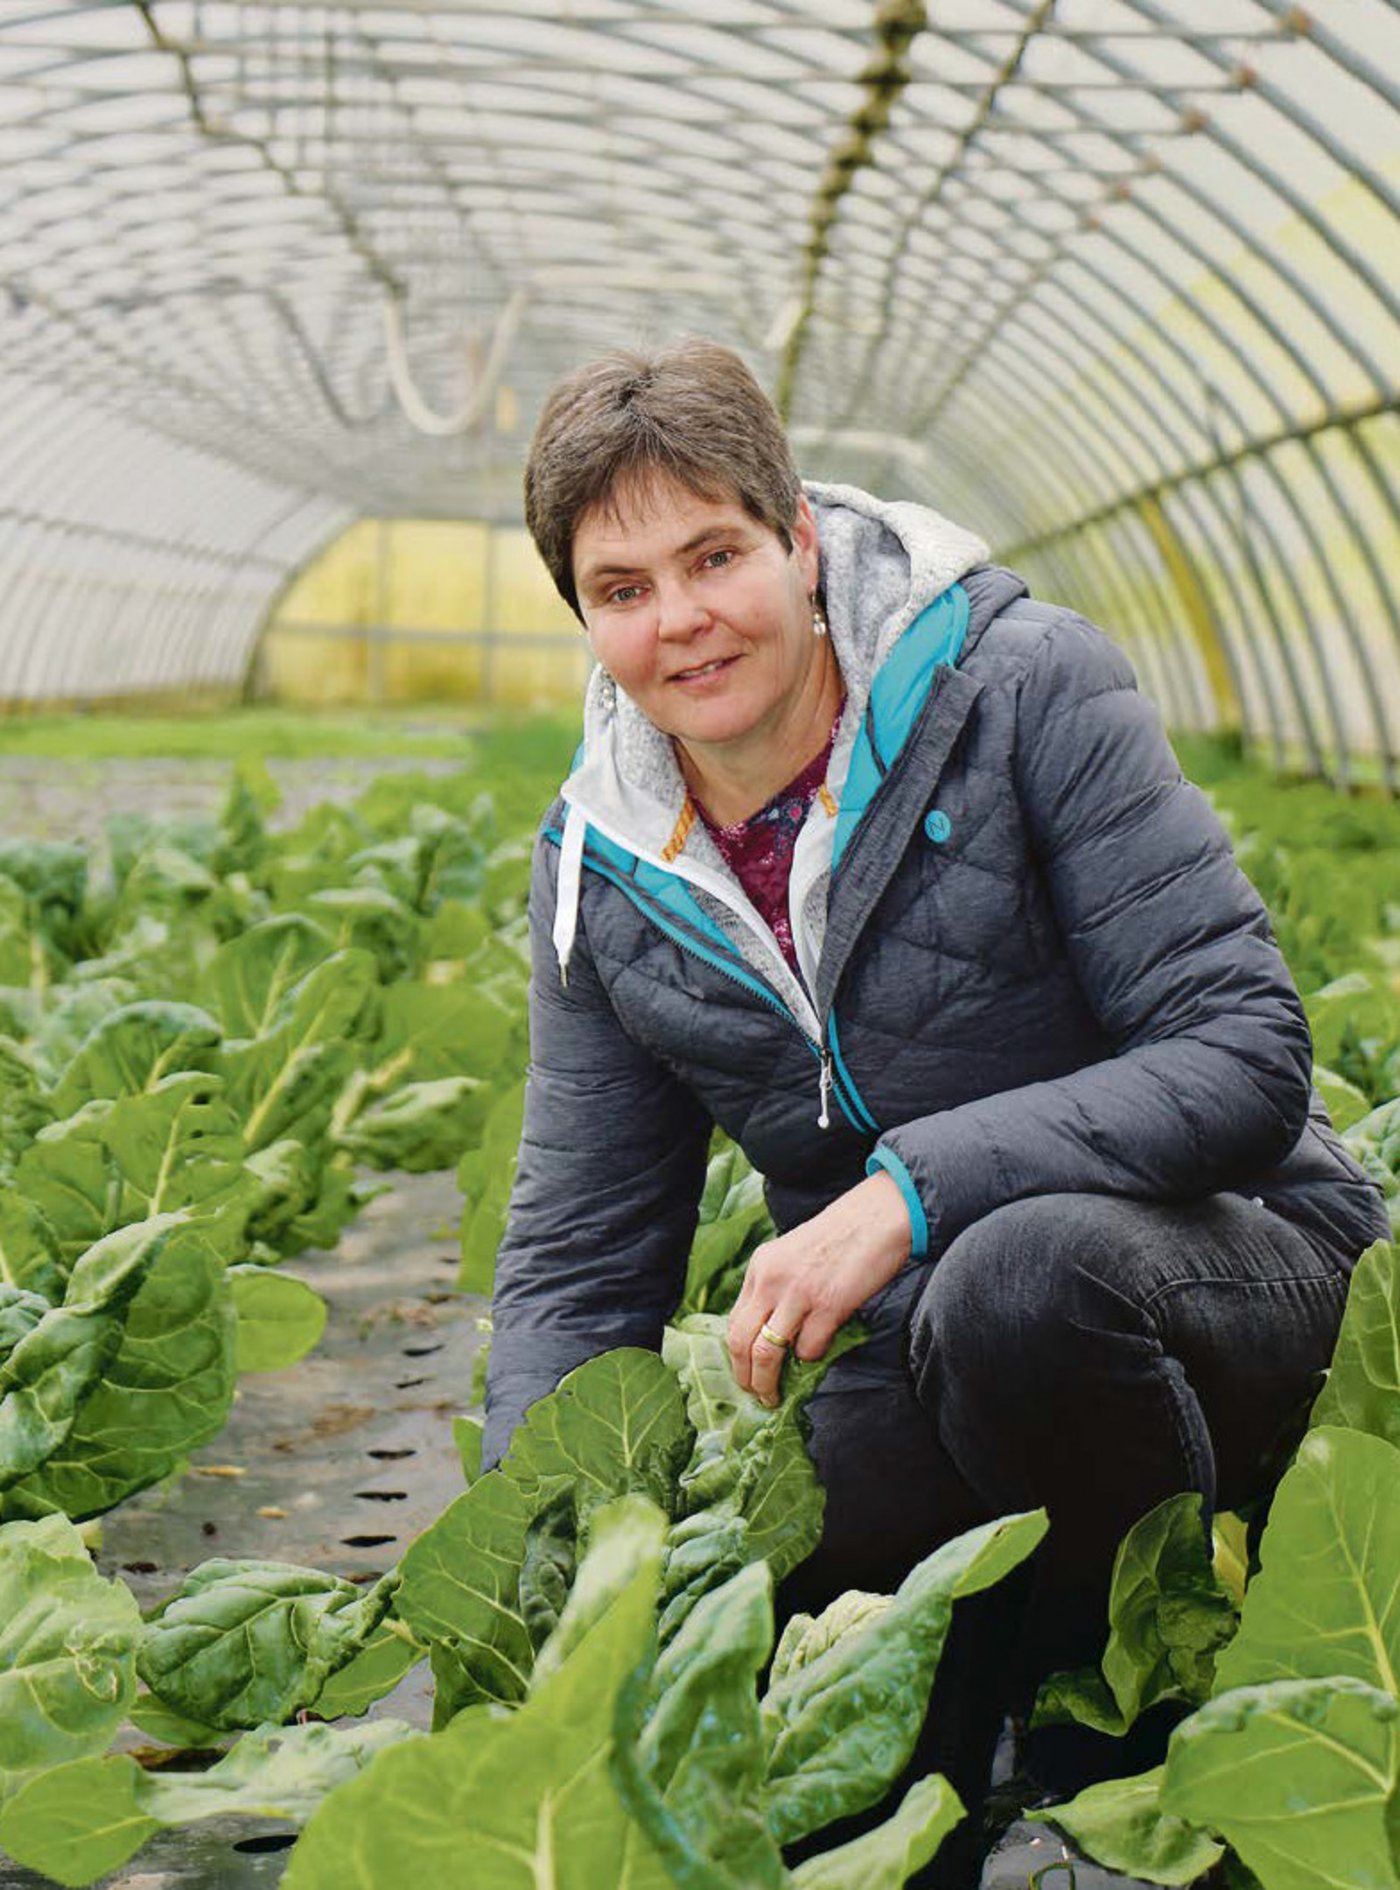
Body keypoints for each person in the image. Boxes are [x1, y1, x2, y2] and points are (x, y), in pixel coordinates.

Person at [481, 338, 1388, 1887]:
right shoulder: (605, 872)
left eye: (714, 556)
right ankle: (992, 1750)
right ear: (585, 617)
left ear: (799, 538)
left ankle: (1127, 1731)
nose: (681, 619)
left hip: (1232, 1274)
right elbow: (580, 1266)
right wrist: (514, 1611)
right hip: (915, 1341)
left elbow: (1243, 1051)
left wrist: (908, 1190)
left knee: (1017, 1281)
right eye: (622, 588)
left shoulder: (1022, 689)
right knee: (844, 1707)